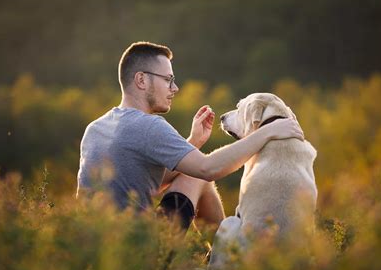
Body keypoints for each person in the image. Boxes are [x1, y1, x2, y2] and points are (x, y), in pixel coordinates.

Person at [77, 41, 304, 231]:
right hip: (139, 255)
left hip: (96, 252)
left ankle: (222, 251)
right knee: (198, 175)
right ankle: (228, 256)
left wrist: (192, 143)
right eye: (168, 79)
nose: (174, 88)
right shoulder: (148, 126)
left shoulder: (95, 128)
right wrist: (267, 131)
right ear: (141, 80)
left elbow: (150, 180)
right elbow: (208, 169)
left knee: (190, 172)